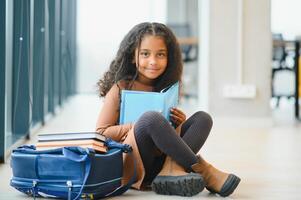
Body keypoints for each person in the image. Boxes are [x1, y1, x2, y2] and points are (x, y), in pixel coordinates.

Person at [95, 22, 240, 197]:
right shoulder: (120, 88)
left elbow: (165, 134)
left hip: (161, 162)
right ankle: (204, 171)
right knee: (150, 119)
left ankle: (171, 171)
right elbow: (101, 133)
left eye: (161, 54)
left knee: (203, 118)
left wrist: (177, 122)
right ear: (133, 56)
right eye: (145, 54)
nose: (153, 61)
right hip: (134, 164)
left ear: (169, 57)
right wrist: (136, 125)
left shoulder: (166, 87)